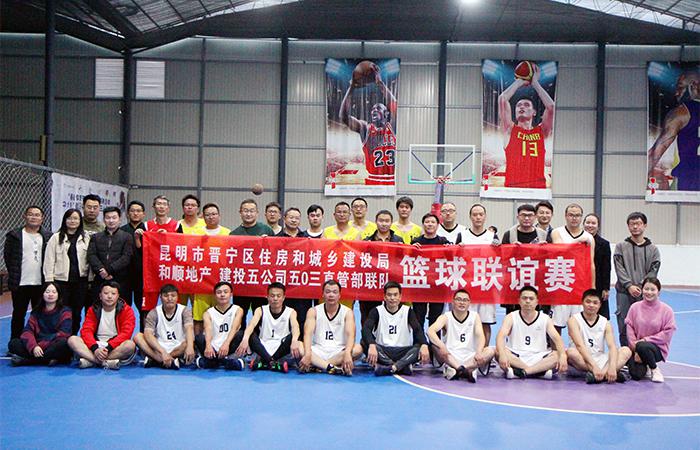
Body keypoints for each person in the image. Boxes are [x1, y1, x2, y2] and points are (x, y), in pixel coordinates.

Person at [339, 62, 397, 186]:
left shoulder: (393, 127)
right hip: (373, 181)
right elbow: (344, 117)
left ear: (386, 114)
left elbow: (395, 105)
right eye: (372, 109)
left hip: (393, 182)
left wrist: (380, 84)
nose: (374, 110)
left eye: (378, 108)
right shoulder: (366, 128)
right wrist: (351, 88)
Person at [497, 63, 555, 189]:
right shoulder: (509, 130)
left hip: (538, 189)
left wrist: (535, 83)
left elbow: (551, 107)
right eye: (518, 105)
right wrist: (519, 82)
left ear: (534, 112)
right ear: (515, 111)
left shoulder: (541, 132)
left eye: (526, 105)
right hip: (512, 189)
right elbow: (502, 99)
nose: (521, 107)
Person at [495, 286, 567, 379]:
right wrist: (502, 355)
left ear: (537, 302)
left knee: (557, 355)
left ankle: (523, 372)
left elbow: (557, 339)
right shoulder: (511, 316)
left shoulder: (545, 318)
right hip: (516, 356)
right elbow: (500, 336)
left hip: (539, 356)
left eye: (531, 299)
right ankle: (538, 372)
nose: (528, 301)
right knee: (498, 352)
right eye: (524, 298)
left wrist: (563, 356)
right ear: (519, 301)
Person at [4, 205, 52, 342]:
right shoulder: (14, 235)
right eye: (30, 214)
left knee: (39, 315)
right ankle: (15, 341)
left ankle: (38, 341)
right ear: (24, 216)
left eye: (37, 215)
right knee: (18, 314)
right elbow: (8, 257)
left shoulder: (48, 236)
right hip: (20, 283)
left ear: (42, 218)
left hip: (40, 283)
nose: (33, 217)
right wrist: (15, 274)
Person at [362, 281, 430, 376]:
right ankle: (402, 366)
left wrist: (424, 344)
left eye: (395, 295)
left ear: (400, 297)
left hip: (403, 351)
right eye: (389, 295)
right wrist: (372, 345)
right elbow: (366, 329)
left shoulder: (407, 311)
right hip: (383, 350)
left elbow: (418, 330)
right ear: (384, 297)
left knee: (420, 347)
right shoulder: (377, 311)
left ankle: (391, 367)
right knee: (364, 343)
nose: (392, 298)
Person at [614, 212, 661, 346]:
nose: (635, 227)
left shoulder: (653, 250)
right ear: (628, 226)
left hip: (644, 294)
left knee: (644, 324)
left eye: (638, 224)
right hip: (624, 292)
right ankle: (625, 353)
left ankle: (641, 353)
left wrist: (641, 287)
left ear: (644, 225)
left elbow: (653, 270)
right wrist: (629, 285)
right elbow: (619, 268)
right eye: (632, 224)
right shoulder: (620, 247)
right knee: (623, 324)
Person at [647, 70, 699, 191]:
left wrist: (642, 177)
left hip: (688, 180)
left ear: (694, 86)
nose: (676, 93)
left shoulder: (682, 112)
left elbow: (657, 151)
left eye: (680, 87)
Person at [428, 289, 495, 383]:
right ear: (453, 302)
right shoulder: (446, 316)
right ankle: (468, 370)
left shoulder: (475, 316)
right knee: (435, 346)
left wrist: (479, 352)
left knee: (491, 350)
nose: (462, 302)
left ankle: (459, 369)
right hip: (451, 355)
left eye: (465, 300)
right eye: (458, 299)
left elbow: (480, 336)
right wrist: (442, 346)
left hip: (471, 356)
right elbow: (430, 331)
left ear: (469, 303)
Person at [298, 280, 363, 375]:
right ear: (323, 294)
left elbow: (351, 335)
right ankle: (331, 367)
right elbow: (307, 334)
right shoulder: (313, 311)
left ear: (339, 295)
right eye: (328, 292)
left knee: (358, 348)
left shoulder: (347, 312)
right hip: (318, 350)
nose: (331, 295)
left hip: (338, 351)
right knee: (299, 345)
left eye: (334, 292)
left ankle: (318, 365)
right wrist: (307, 353)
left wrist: (347, 353)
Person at [566, 289, 631, 384]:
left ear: (600, 305)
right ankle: (606, 374)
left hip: (600, 358)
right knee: (571, 352)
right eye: (588, 302)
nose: (591, 305)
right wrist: (594, 366)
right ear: (582, 302)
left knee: (626, 350)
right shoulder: (573, 320)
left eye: (595, 303)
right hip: (583, 359)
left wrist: (612, 367)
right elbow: (580, 346)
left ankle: (599, 375)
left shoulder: (605, 322)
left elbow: (612, 347)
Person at [456, 204, 499, 345]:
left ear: (485, 216)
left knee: (486, 322)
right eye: (475, 214)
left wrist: (498, 248)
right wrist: (458, 249)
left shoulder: (492, 237)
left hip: (487, 285)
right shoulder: (462, 235)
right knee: (467, 320)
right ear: (470, 217)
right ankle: (467, 349)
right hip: (468, 285)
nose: (478, 217)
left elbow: (500, 258)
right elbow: (454, 259)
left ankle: (484, 351)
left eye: (481, 214)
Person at [67, 281, 136, 370]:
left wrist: (109, 347)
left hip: (114, 346)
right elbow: (86, 331)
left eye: (113, 294)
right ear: (100, 296)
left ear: (118, 296)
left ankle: (91, 360)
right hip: (95, 344)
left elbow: (126, 333)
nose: (109, 296)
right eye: (106, 293)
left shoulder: (127, 310)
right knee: (72, 340)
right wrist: (95, 348)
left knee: (130, 345)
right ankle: (104, 362)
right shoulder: (93, 309)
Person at [235, 282, 302, 373]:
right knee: (249, 334)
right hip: (263, 346)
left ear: (283, 297)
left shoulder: (291, 311)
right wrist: (245, 339)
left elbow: (295, 327)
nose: (275, 299)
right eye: (272, 296)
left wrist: (294, 340)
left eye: (278, 296)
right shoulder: (260, 309)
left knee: (294, 336)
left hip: (281, 347)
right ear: (267, 297)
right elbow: (251, 324)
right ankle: (273, 363)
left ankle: (266, 362)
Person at [43, 209, 90, 334]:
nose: (72, 221)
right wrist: (49, 281)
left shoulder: (86, 238)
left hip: (80, 282)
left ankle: (73, 336)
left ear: (80, 221)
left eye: (75, 218)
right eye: (69, 218)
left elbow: (90, 259)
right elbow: (49, 260)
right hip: (61, 282)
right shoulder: (56, 238)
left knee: (76, 312)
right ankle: (59, 337)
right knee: (61, 311)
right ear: (64, 220)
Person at [550, 203, 595, 334]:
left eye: (577, 215)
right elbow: (560, 249)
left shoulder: (589, 237)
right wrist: (578, 241)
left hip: (579, 285)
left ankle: (576, 346)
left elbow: (591, 263)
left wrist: (592, 286)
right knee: (556, 324)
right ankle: (556, 347)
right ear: (565, 216)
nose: (574, 218)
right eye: (571, 215)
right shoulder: (557, 232)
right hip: (560, 282)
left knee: (578, 324)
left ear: (581, 217)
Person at [229, 199, 274, 326]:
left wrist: (267, 243)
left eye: (252, 211)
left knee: (260, 316)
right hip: (242, 281)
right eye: (245, 211)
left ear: (257, 213)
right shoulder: (234, 234)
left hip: (260, 282)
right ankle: (240, 337)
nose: (248, 214)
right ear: (240, 212)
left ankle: (258, 338)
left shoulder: (266, 230)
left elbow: (275, 254)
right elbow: (231, 259)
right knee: (240, 316)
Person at [8, 282, 73, 366]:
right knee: (13, 343)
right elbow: (27, 331)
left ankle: (28, 361)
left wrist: (41, 346)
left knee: (64, 344)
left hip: (53, 343)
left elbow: (64, 334)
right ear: (42, 294)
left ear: (58, 295)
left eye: (54, 292)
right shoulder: (36, 312)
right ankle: (47, 359)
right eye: (47, 292)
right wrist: (34, 346)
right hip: (37, 344)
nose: (50, 294)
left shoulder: (65, 311)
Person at [191, 203, 231, 335]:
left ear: (219, 215)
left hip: (220, 280)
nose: (211, 217)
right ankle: (198, 342)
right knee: (198, 317)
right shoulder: (196, 233)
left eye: (214, 214)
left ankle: (220, 340)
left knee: (221, 314)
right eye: (207, 215)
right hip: (201, 280)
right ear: (203, 216)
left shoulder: (228, 233)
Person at [625, 277, 676, 383]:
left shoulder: (667, 310)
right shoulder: (634, 307)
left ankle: (654, 369)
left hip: (657, 349)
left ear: (659, 292)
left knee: (643, 346)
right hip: (637, 347)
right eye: (646, 289)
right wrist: (636, 348)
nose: (649, 292)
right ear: (642, 290)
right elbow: (630, 328)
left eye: (653, 289)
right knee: (636, 375)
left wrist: (645, 340)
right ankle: (646, 363)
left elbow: (667, 334)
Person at [133, 284, 196, 370]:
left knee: (189, 341)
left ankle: (156, 360)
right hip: (159, 347)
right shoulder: (154, 312)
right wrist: (163, 352)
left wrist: (190, 347)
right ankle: (166, 360)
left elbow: (189, 328)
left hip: (178, 346)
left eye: (173, 296)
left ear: (177, 297)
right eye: (166, 296)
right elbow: (148, 334)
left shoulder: (184, 310)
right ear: (160, 297)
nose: (169, 298)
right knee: (138, 337)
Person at [361, 210, 403, 325]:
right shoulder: (367, 241)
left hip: (392, 283)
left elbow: (403, 261)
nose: (384, 224)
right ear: (376, 222)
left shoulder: (398, 241)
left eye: (387, 221)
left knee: (392, 318)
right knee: (369, 318)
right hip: (372, 284)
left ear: (391, 223)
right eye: (381, 221)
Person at [87, 206, 134, 306]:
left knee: (121, 309)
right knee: (97, 307)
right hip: (100, 278)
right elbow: (92, 255)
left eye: (114, 217)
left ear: (119, 219)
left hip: (120, 279)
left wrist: (109, 270)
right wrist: (101, 270)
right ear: (104, 219)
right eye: (108, 218)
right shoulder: (96, 237)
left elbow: (126, 257)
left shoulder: (127, 237)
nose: (111, 221)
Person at [194, 282, 245, 370]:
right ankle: (225, 362)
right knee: (199, 337)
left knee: (240, 334)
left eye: (225, 292)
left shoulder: (238, 310)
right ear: (214, 295)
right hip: (213, 347)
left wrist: (226, 344)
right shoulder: (208, 313)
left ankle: (212, 362)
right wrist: (208, 345)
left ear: (231, 294)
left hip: (229, 345)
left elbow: (234, 328)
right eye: (219, 292)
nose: (222, 295)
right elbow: (208, 330)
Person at [411, 213, 450, 327]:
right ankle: (419, 338)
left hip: (437, 285)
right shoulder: (416, 242)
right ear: (423, 225)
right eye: (427, 222)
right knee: (418, 317)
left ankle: (434, 338)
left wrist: (453, 248)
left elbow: (452, 257)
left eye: (433, 222)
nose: (430, 224)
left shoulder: (443, 241)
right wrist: (411, 249)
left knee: (436, 318)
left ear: (438, 225)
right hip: (420, 285)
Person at [279, 207, 313, 332]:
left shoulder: (307, 239)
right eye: (291, 217)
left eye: (297, 218)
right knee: (283, 318)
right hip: (284, 285)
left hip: (302, 287)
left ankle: (301, 341)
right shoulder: (276, 238)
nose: (294, 220)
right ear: (284, 219)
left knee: (302, 318)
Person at [121, 200, 146, 331]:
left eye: (138, 211)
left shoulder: (148, 231)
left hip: (142, 276)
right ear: (128, 213)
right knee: (123, 308)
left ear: (143, 214)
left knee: (143, 309)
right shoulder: (121, 231)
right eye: (132, 211)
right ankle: (122, 336)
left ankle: (143, 336)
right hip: (124, 275)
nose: (135, 213)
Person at [583, 213, 612, 319]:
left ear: (598, 226)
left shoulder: (604, 244)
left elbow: (606, 267)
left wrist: (606, 288)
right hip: (579, 283)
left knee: (600, 315)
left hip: (598, 284)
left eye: (593, 223)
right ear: (583, 224)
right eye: (588, 222)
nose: (590, 225)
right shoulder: (577, 242)